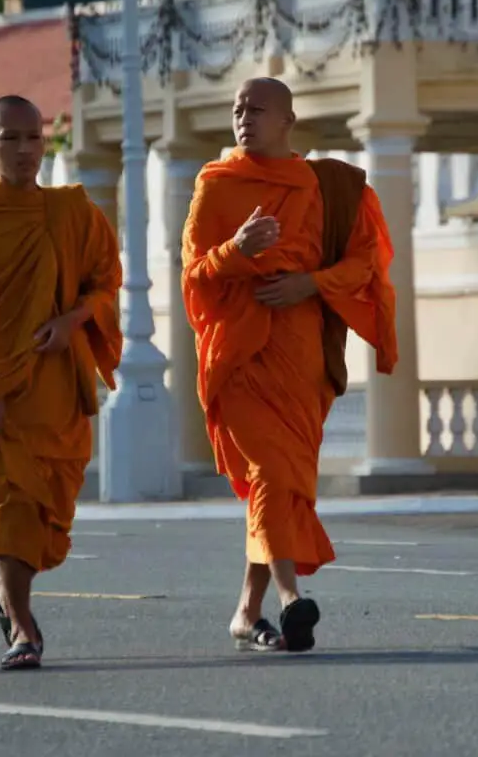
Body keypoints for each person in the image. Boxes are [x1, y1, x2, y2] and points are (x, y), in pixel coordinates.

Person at [181, 77, 399, 653]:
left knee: (276, 484)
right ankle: (288, 598)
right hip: (239, 355)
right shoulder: (215, 186)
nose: (243, 117)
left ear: (287, 121)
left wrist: (310, 282)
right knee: (273, 474)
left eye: (256, 109)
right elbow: (195, 275)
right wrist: (237, 251)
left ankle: (246, 612)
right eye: (236, 109)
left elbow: (365, 263)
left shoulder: (328, 188)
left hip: (301, 359)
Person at [0, 95, 123, 671]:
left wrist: (74, 320)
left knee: (50, 520)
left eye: (33, 138)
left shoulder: (71, 212)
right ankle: (23, 628)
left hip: (57, 383)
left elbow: (105, 282)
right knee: (12, 505)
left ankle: (1, 591)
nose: (23, 150)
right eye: (9, 139)